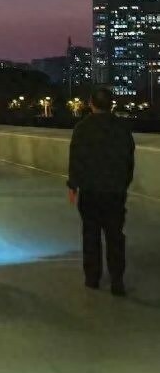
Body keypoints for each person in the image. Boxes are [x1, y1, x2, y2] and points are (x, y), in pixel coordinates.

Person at [67, 86, 134, 296]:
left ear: (90, 104)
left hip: (90, 191)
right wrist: (123, 184)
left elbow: (76, 159)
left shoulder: (82, 128)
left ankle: (92, 278)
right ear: (111, 105)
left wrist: (73, 185)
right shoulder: (122, 128)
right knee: (115, 236)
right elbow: (128, 160)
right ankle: (117, 280)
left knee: (91, 234)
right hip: (114, 192)